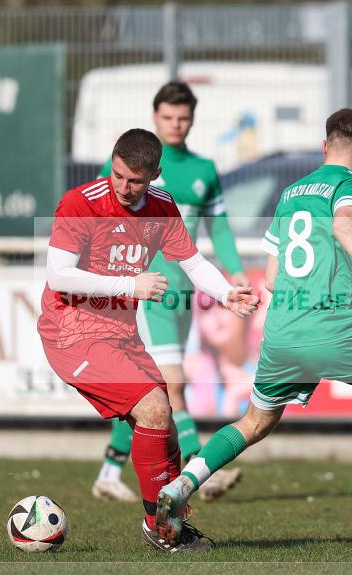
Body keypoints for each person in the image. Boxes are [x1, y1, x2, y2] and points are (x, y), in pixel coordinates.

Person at [154, 108, 352, 547]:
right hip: (332, 326)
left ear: (325, 146)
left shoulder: (290, 193)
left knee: (254, 421)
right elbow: (345, 222)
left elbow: (270, 276)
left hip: (282, 331)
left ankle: (181, 486)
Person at [38, 128, 258, 552]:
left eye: (135, 180)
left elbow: (192, 263)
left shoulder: (162, 207)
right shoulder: (80, 203)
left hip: (120, 334)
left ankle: (166, 520)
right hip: (72, 332)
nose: (123, 187)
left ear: (155, 175)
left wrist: (226, 293)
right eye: (118, 175)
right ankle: (161, 528)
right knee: (155, 408)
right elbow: (57, 275)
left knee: (167, 427)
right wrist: (129, 285)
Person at [92, 81, 248, 503]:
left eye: (183, 118)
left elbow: (218, 228)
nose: (176, 125)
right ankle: (201, 468)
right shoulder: (135, 168)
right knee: (170, 386)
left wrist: (233, 273)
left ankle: (109, 470)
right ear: (154, 117)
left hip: (183, 292)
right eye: (168, 117)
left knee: (148, 386)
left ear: (192, 120)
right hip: (150, 291)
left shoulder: (204, 171)